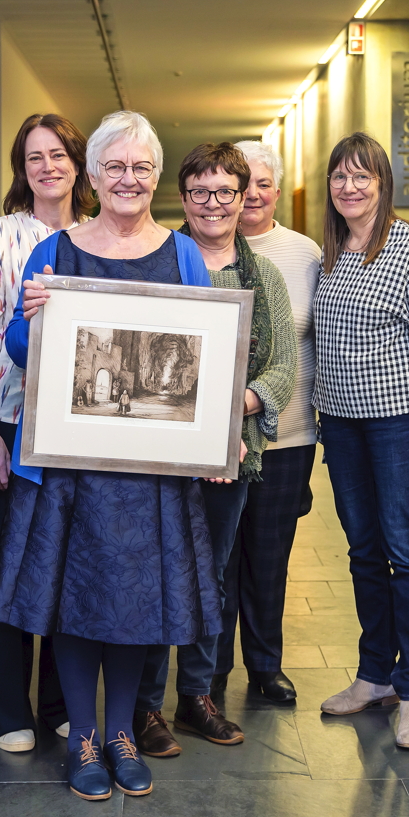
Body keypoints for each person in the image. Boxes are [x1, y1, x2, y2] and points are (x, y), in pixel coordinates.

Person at [0, 110, 219, 802]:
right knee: (75, 601)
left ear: (156, 176)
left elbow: (203, 359)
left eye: (141, 167)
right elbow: (20, 351)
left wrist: (214, 431)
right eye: (114, 166)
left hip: (149, 468)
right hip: (70, 464)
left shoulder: (183, 254)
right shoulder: (54, 251)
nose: (128, 178)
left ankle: (121, 731)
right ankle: (84, 736)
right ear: (92, 175)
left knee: (134, 604)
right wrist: (34, 320)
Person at [134, 142, 296, 757]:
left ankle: (197, 695)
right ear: (184, 197)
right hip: (159, 455)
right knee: (158, 575)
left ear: (242, 196)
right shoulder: (157, 262)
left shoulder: (266, 277)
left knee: (211, 578)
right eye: (199, 192)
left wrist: (233, 413)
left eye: (226, 191)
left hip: (234, 453)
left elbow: (283, 366)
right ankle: (147, 705)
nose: (214, 204)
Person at [313, 132, 409, 752]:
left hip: (397, 424)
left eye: (362, 176)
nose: (349, 187)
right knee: (363, 551)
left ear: (382, 184)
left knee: (407, 552)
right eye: (340, 177)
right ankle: (374, 674)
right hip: (341, 426)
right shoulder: (332, 252)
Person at [0, 113, 88, 752]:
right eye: (34, 156)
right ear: (22, 168)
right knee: (6, 570)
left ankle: (62, 703)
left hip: (83, 432)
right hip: (12, 421)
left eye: (59, 153)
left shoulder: (102, 237)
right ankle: (8, 708)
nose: (48, 166)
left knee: (67, 567)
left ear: (78, 162)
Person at [216, 140, 321, 705]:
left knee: (269, 556)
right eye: (241, 183)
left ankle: (265, 666)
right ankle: (208, 675)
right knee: (217, 558)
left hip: (288, 434)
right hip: (214, 439)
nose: (251, 194)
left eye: (262, 183)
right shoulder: (193, 250)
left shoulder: (306, 255)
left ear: (277, 190)